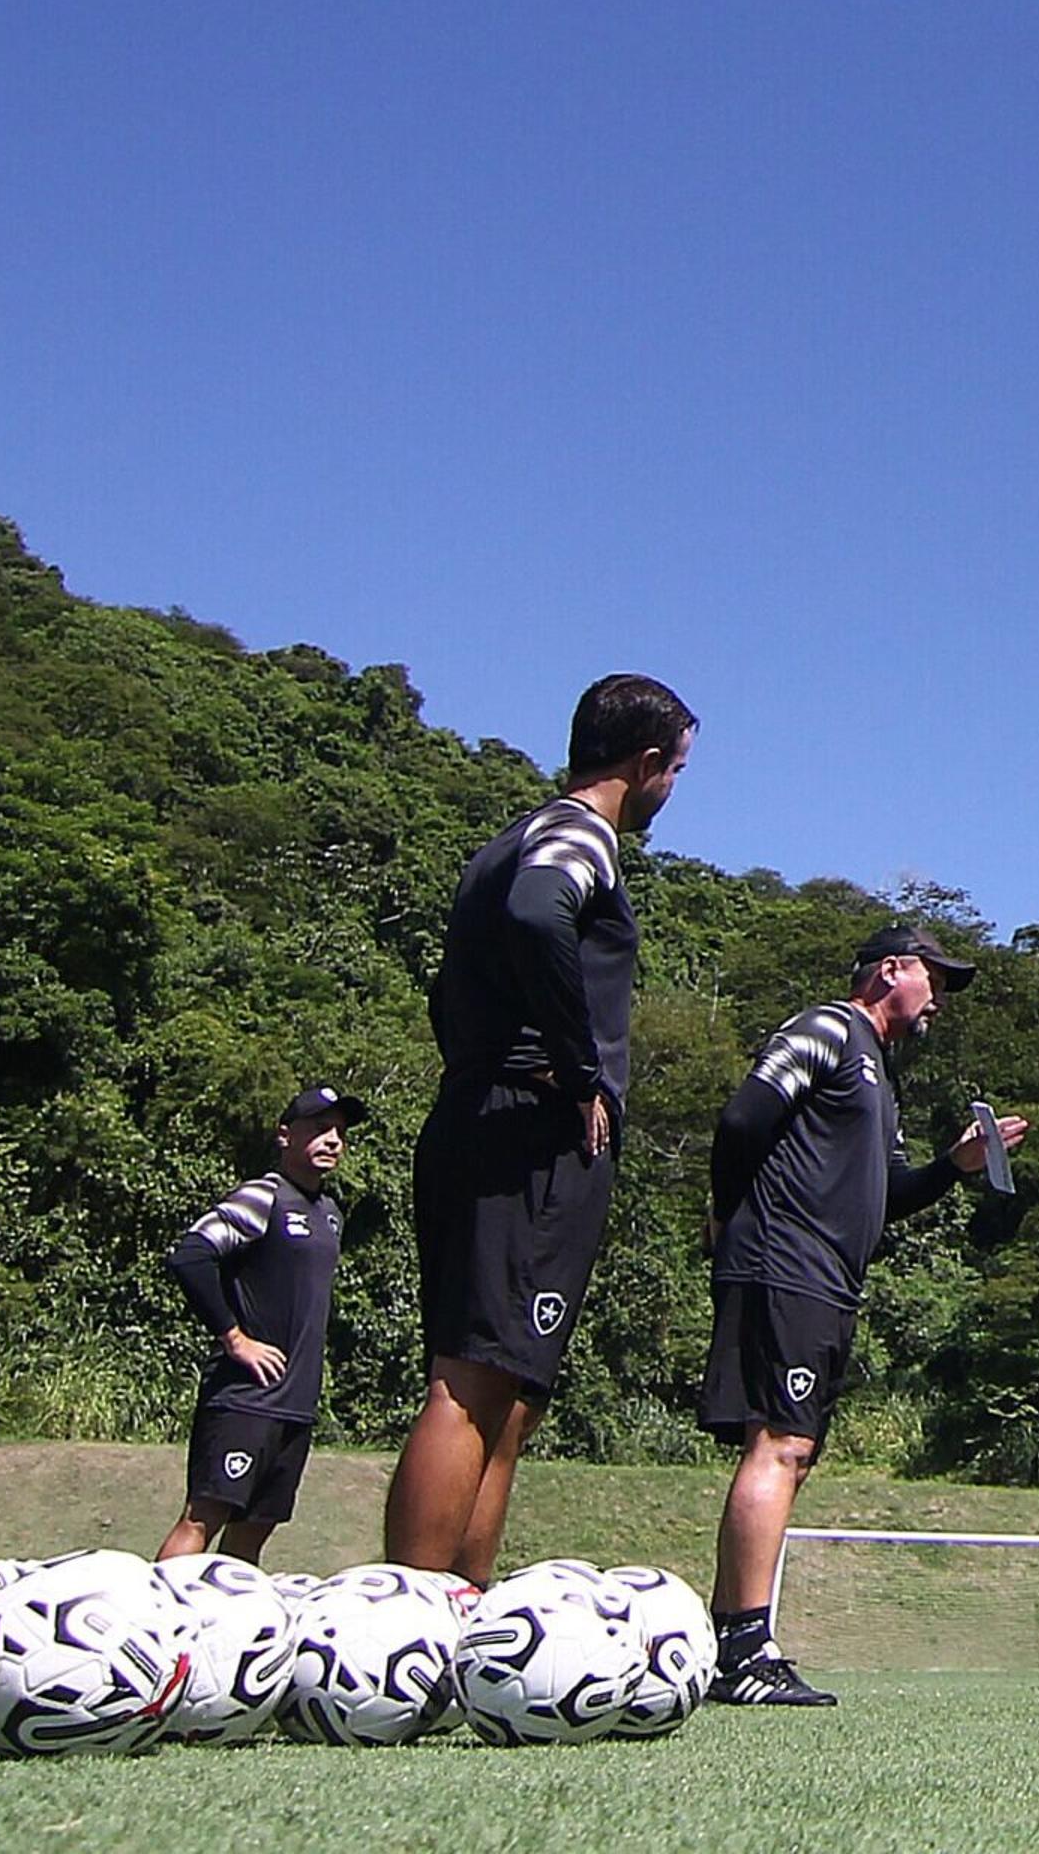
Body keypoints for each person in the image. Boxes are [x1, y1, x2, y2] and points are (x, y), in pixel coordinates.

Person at [385, 673, 696, 1586]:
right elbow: (537, 913)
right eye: (674, 771)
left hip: (486, 1118)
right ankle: (403, 1623)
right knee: (473, 1384)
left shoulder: (510, 841)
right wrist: (576, 1064)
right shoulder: (575, 833)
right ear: (643, 765)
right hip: (527, 1134)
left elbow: (452, 988)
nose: (671, 790)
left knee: (507, 1394)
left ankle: (465, 1621)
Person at [701, 925, 1027, 1704]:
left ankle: (736, 1639)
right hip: (786, 1264)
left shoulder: (875, 1073)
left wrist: (954, 1168)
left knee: (792, 1449)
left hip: (826, 1277)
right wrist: (726, 1217)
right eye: (935, 981)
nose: (939, 1001)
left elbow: (886, 1200)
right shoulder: (827, 1027)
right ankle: (743, 1649)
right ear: (891, 970)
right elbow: (743, 1121)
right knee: (779, 1445)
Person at [158, 1084, 362, 1563]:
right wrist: (235, 1339)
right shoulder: (264, 1196)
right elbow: (190, 1256)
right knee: (203, 1516)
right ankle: (157, 1624)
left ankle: (230, 1627)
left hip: (295, 1402)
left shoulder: (330, 1214)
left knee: (253, 1531)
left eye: (338, 1132)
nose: (331, 1140)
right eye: (318, 1128)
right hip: (246, 1397)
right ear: (286, 1136)